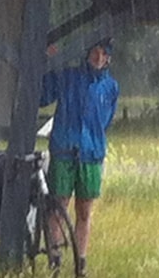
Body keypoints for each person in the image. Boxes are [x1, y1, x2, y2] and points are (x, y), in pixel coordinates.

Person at [40, 37, 119, 276]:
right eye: (95, 52)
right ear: (87, 53)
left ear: (109, 58)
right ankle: (55, 259)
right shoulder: (68, 77)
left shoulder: (111, 87)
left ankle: (80, 262)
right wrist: (47, 60)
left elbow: (106, 120)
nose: (98, 58)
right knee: (58, 207)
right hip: (65, 150)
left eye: (104, 54)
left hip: (91, 154)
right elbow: (42, 95)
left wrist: (91, 141)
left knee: (84, 211)